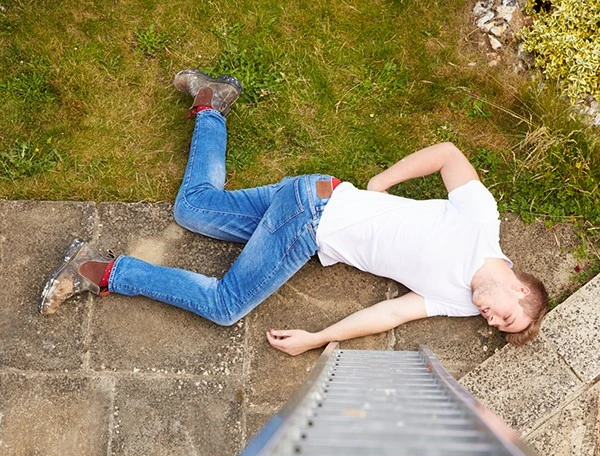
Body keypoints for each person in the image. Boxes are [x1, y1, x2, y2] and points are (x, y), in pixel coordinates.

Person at [39, 69, 549, 353]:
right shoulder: (482, 221)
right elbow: (449, 155)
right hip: (310, 218)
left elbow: (390, 313)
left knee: (193, 210)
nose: (489, 317)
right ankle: (102, 272)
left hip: (311, 195)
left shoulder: (461, 300)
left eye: (495, 326)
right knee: (224, 306)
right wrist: (384, 181)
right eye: (504, 315)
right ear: (521, 288)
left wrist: (319, 337)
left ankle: (212, 102)